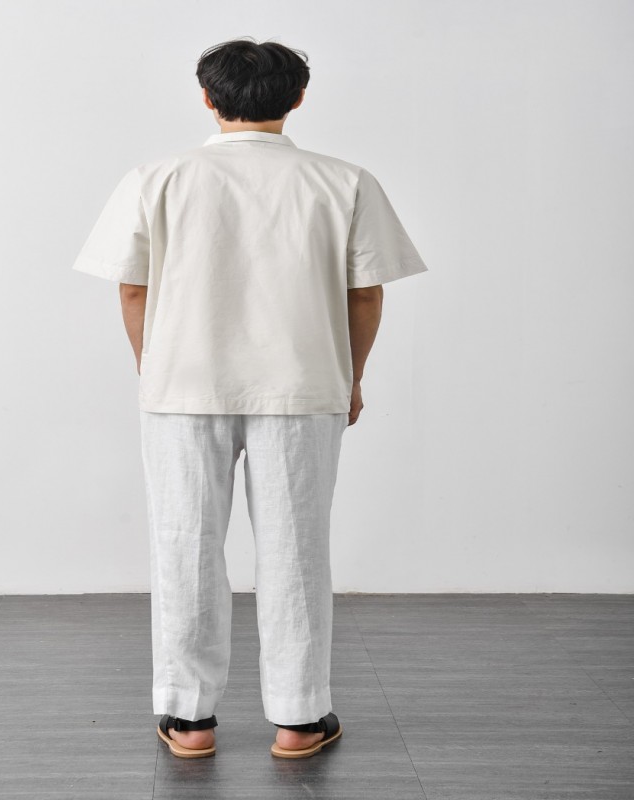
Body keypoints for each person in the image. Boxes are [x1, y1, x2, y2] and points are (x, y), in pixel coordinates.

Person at [72, 37, 428, 759]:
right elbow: (365, 295)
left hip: (182, 386)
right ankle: (300, 718)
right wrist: (351, 377)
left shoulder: (156, 178)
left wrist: (153, 369)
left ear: (208, 98)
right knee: (297, 549)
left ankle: (189, 718)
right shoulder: (343, 181)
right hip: (302, 386)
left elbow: (134, 288)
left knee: (184, 544)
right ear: (298, 98)